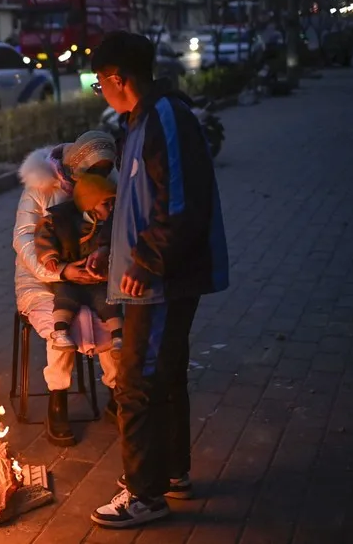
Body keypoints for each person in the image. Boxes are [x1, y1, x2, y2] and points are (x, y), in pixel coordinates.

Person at [87, 30, 228, 528]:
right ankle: (172, 473)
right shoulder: (142, 119)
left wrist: (144, 262)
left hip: (160, 282)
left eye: (97, 81)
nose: (97, 89)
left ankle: (144, 495)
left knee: (136, 382)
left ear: (116, 79)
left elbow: (181, 203)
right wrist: (114, 250)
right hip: (148, 277)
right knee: (163, 375)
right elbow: (141, 201)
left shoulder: (165, 117)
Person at [12, 131, 121, 447]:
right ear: (75, 168)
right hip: (42, 278)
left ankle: (118, 393)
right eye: (92, 172)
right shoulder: (41, 189)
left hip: (92, 275)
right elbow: (24, 240)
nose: (97, 178)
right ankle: (56, 401)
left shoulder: (106, 191)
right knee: (64, 325)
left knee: (111, 318)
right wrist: (61, 270)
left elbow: (115, 231)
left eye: (103, 172)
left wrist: (102, 260)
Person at [34, 173, 123, 352]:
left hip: (98, 280)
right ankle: (61, 333)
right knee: (64, 298)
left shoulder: (112, 225)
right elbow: (43, 235)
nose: (112, 207)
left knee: (109, 301)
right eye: (106, 204)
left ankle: (118, 337)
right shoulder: (62, 221)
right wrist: (50, 256)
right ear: (90, 206)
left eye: (114, 202)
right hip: (70, 279)